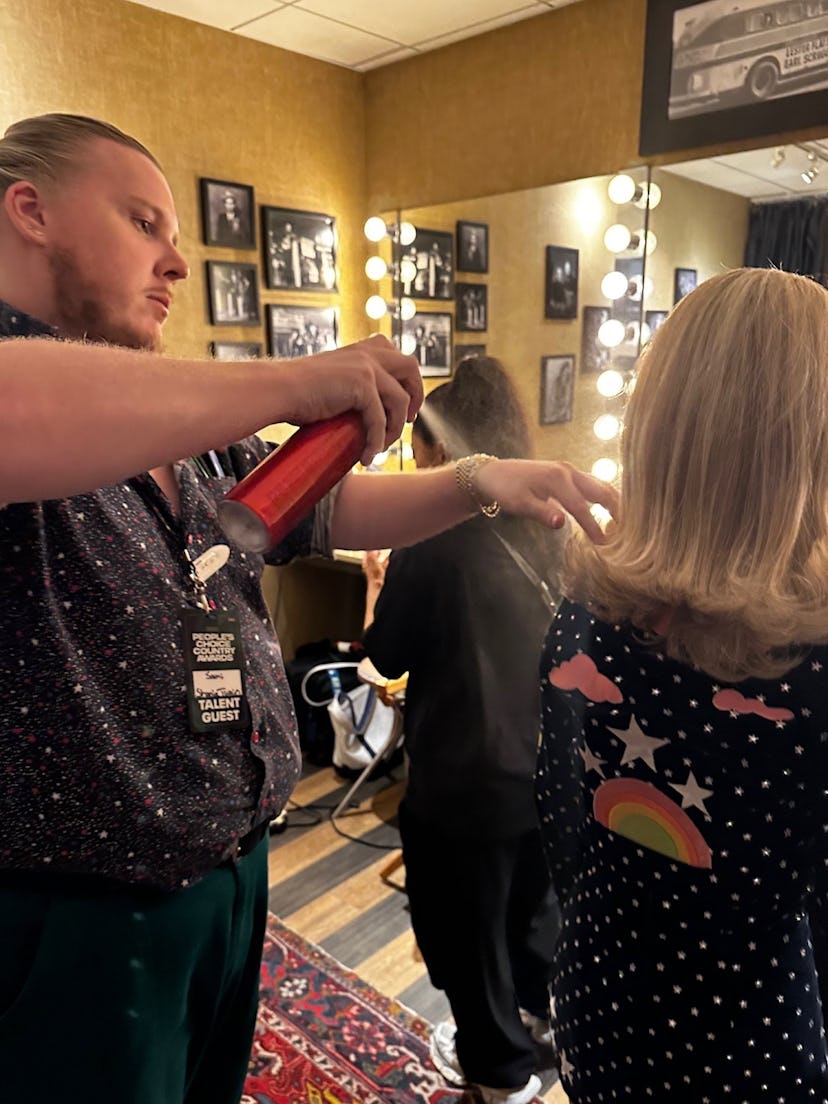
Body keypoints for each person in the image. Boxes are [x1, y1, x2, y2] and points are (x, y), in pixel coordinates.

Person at [0, 113, 616, 1104]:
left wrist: (483, 480)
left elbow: (325, 510)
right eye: (144, 222)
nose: (178, 261)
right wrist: (292, 380)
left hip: (231, 878)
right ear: (29, 210)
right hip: (78, 915)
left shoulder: (181, 425)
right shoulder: (42, 398)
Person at [536, 267, 828, 1102]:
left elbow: (561, 819)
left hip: (597, 1001)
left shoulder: (585, 613)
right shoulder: (814, 672)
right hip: (747, 1052)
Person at [363, 357, 565, 1104]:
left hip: (463, 781)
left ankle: (499, 1075)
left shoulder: (431, 540)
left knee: (466, 939)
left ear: (442, 454)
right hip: (544, 770)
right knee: (531, 918)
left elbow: (386, 657)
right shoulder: (546, 524)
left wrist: (379, 582)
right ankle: (543, 1033)